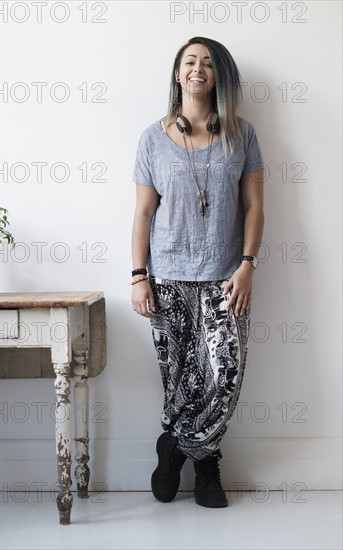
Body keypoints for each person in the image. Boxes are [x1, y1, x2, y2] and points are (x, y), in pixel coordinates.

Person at [131, 36, 264, 508]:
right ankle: (206, 464)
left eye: (207, 62)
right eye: (189, 61)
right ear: (177, 73)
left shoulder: (242, 134)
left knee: (223, 373)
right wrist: (137, 275)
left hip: (226, 277)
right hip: (166, 277)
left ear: (219, 76)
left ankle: (175, 450)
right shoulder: (153, 138)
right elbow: (144, 214)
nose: (197, 68)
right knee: (180, 377)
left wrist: (248, 265)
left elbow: (253, 207)